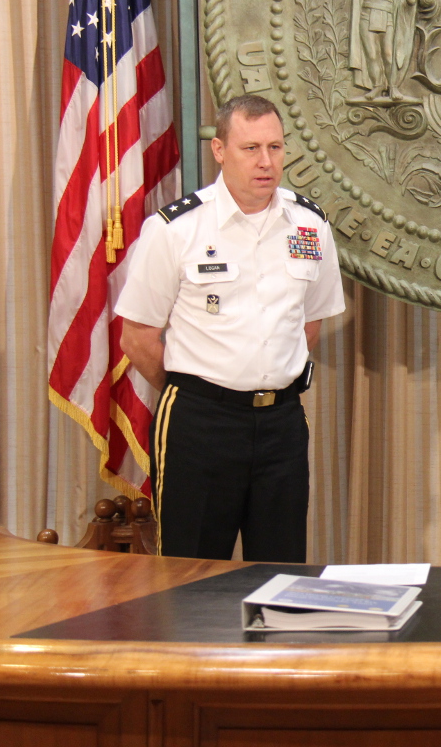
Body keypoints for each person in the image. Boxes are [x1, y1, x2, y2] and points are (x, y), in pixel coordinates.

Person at [116, 94, 346, 561]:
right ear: (219, 151)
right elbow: (136, 338)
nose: (266, 162)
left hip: (281, 423)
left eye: (276, 148)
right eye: (251, 149)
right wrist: (201, 391)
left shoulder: (310, 225)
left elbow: (310, 324)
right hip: (200, 426)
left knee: (280, 575)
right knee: (189, 578)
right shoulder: (177, 229)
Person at [343, 0, 418, 100]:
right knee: (371, 54)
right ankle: (377, 86)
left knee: (388, 55)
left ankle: (393, 87)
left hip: (387, 17)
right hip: (367, 16)